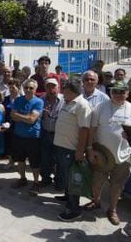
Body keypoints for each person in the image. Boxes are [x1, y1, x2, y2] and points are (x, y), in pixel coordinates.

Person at [85, 81, 131, 225]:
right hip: (101, 154)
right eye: (115, 91)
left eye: (122, 92)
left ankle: (112, 210)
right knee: (97, 182)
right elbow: (92, 129)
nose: (118, 95)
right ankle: (96, 201)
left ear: (127, 93)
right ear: (111, 92)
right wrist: (90, 149)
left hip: (124, 155)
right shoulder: (101, 107)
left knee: (117, 185)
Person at [53, 80, 92, 222]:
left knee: (72, 179)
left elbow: (84, 129)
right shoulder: (67, 102)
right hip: (61, 146)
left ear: (74, 91)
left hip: (71, 148)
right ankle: (67, 196)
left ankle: (74, 209)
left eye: (66, 90)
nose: (63, 92)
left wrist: (80, 151)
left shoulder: (82, 105)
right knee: (65, 175)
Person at [10, 79, 44, 196]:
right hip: (18, 135)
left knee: (34, 162)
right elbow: (12, 116)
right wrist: (26, 117)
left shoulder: (38, 102)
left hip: (32, 137)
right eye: (26, 88)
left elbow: (32, 120)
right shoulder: (18, 100)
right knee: (20, 160)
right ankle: (22, 179)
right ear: (23, 89)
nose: (28, 90)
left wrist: (20, 116)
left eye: (31, 88)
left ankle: (35, 183)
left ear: (35, 89)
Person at [39, 78, 64, 189]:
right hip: (45, 132)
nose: (50, 89)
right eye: (48, 86)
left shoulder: (65, 99)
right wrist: (41, 114)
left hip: (60, 134)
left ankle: (59, 181)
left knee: (59, 159)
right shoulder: (41, 99)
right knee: (45, 158)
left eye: (53, 86)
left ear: (58, 88)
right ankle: (45, 179)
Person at [2, 78, 21, 170]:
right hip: (8, 126)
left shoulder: (22, 99)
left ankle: (19, 163)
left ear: (18, 88)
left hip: (19, 125)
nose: (12, 89)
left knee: (18, 145)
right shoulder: (5, 99)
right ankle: (11, 161)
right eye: (10, 87)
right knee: (9, 144)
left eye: (13, 87)